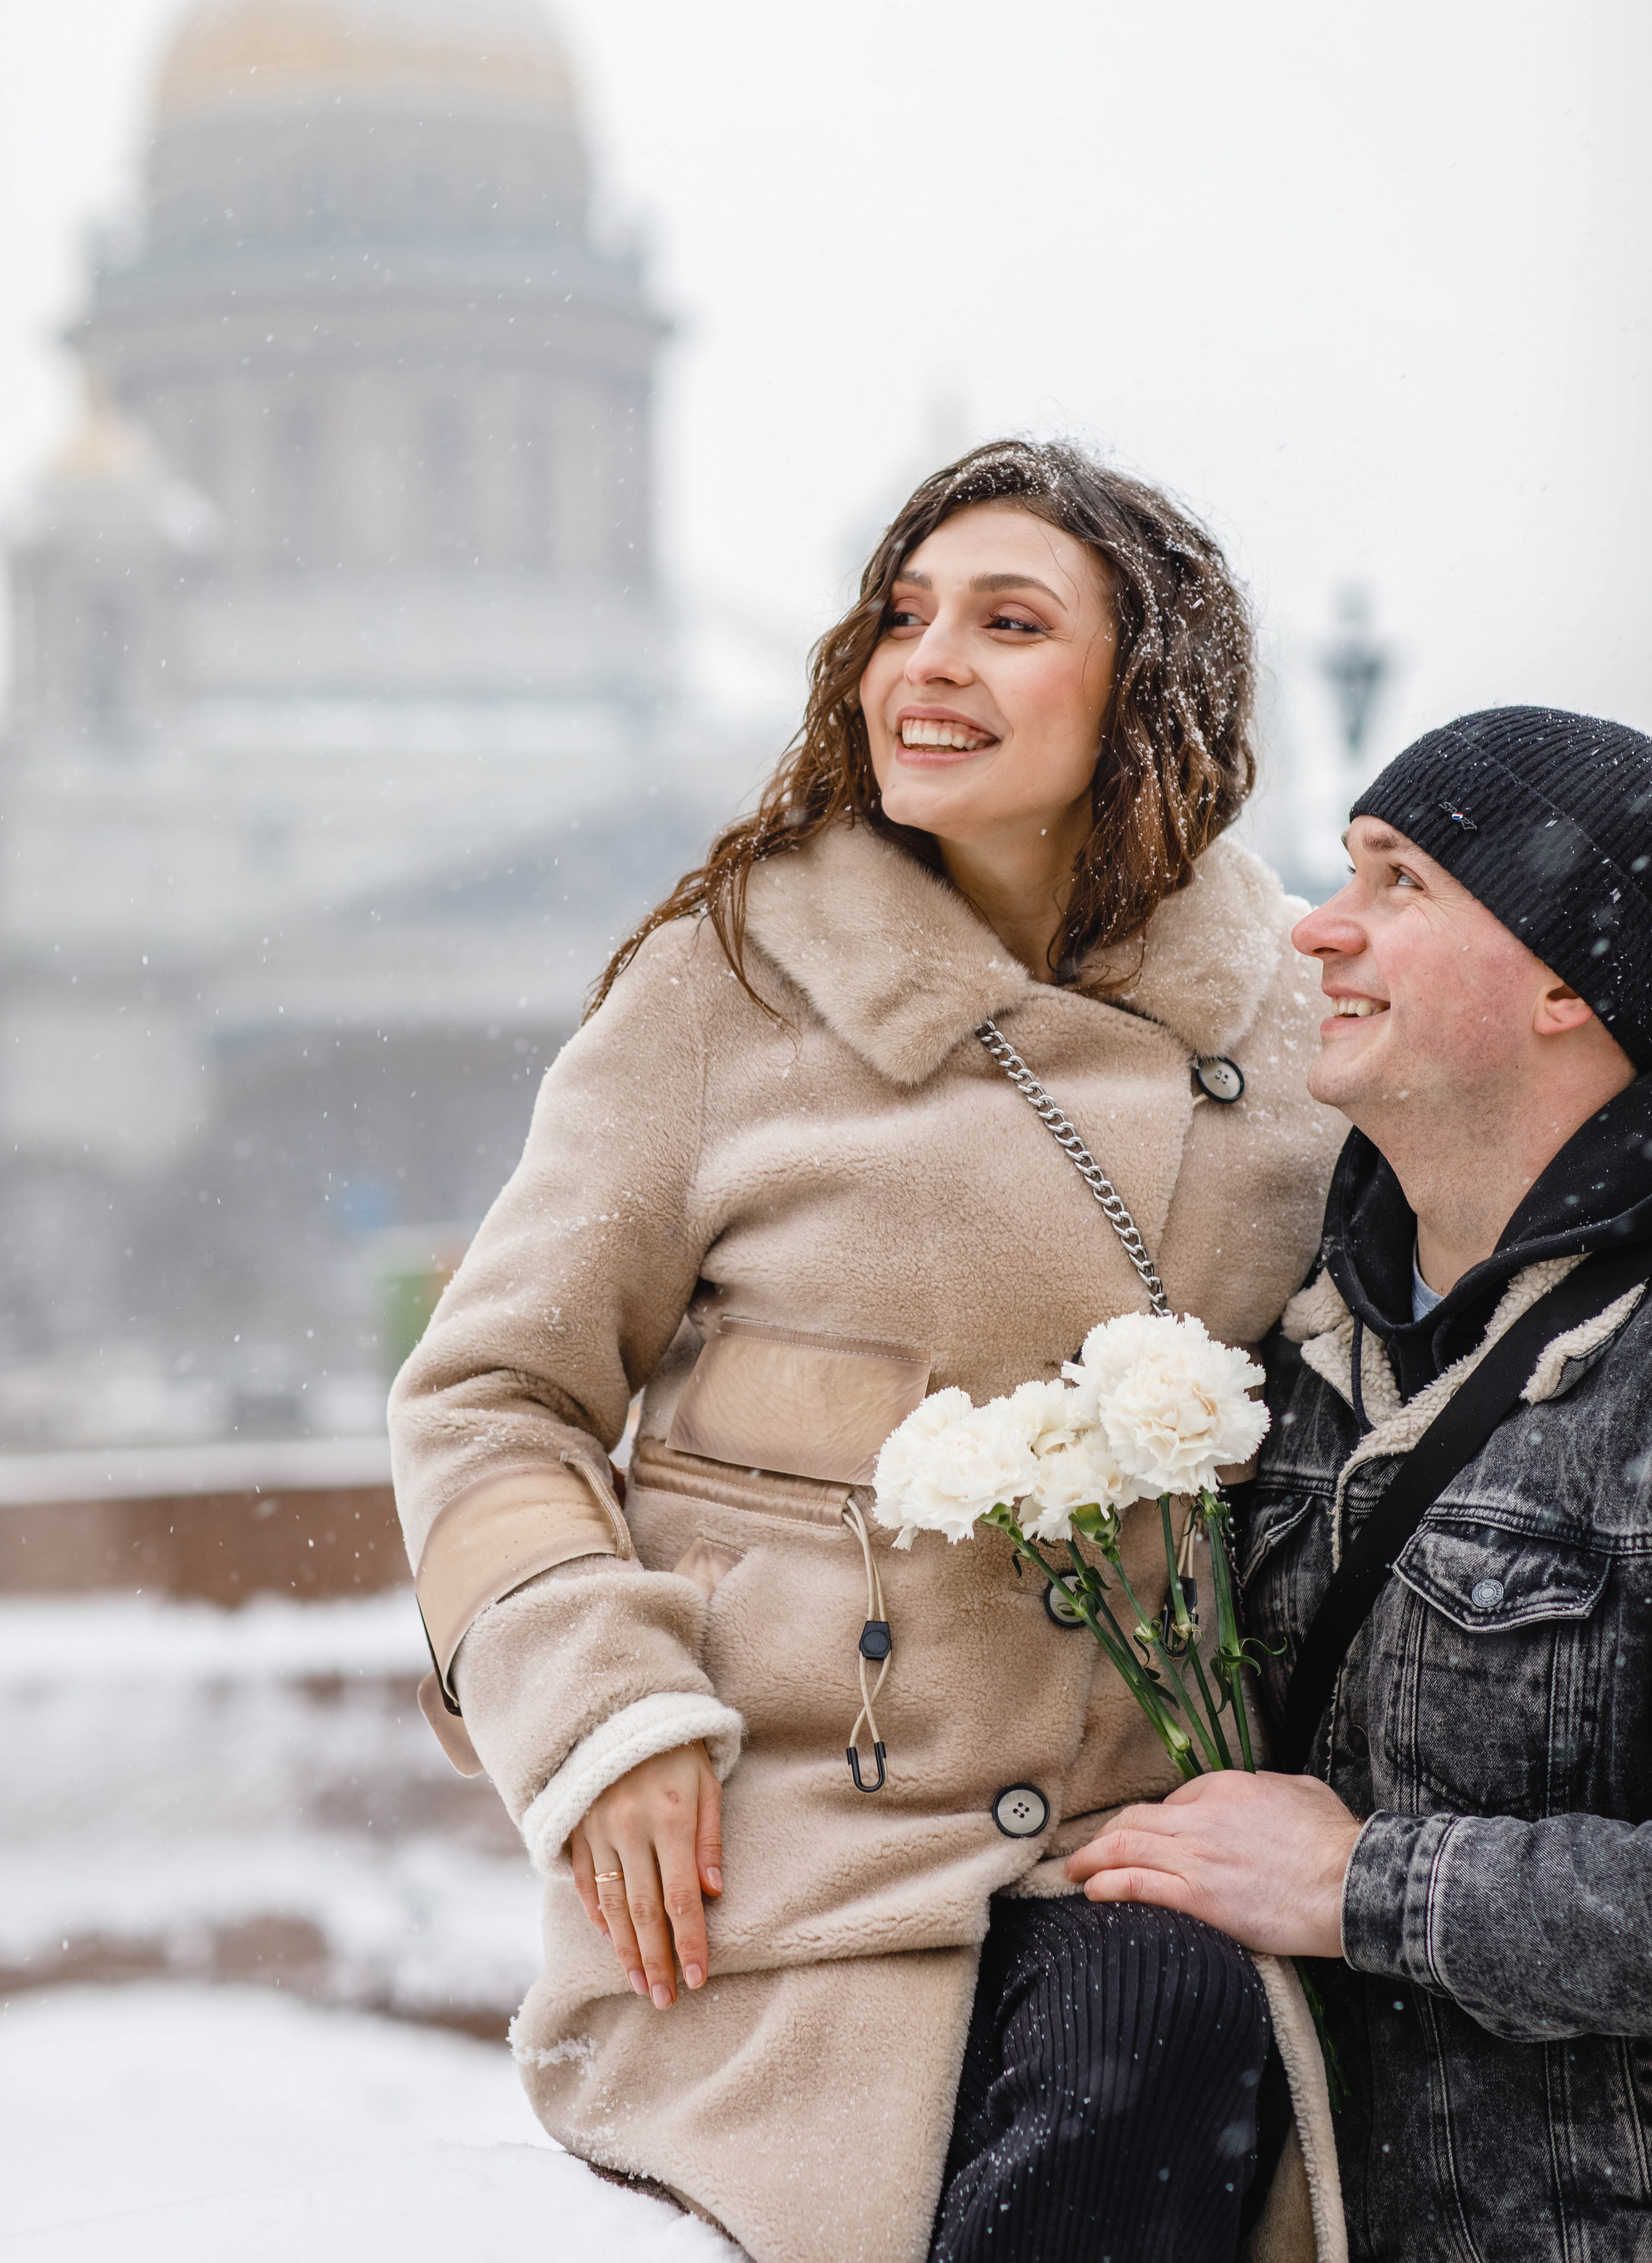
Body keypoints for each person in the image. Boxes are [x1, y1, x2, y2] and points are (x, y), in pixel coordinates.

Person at [389, 439, 1348, 2263]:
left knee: (1160, 2012)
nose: (930, 665)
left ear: (1150, 686)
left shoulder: (1297, 1023)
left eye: (1008, 623)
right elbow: (491, 1395)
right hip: (785, 1867)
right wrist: (605, 1720)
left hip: (1152, 1856)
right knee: (1152, 2025)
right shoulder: (725, 985)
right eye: (903, 618)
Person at [1067, 703, 1652, 2260]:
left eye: (1398, 883)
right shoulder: (1281, 1333)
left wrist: (1364, 1885)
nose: (1319, 932)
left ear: (1561, 975)